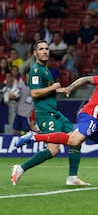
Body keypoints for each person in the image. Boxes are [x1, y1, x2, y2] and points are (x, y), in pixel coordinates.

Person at [11, 40, 89, 186]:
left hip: (55, 113)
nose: (45, 51)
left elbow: (47, 90)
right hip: (45, 114)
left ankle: (72, 177)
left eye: (46, 48)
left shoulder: (46, 69)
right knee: (53, 150)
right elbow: (34, 92)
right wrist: (53, 86)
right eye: (41, 49)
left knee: (76, 139)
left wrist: (60, 89)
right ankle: (20, 168)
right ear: (35, 53)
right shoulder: (36, 70)